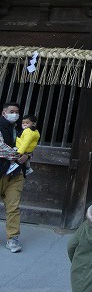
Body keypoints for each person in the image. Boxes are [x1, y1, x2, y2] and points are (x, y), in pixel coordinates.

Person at [0, 102, 28, 253]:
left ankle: (12, 239)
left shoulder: (18, 129)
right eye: (11, 111)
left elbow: (29, 146)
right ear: (4, 113)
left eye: (17, 112)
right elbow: (1, 149)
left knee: (13, 208)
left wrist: (28, 154)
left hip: (15, 174)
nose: (15, 114)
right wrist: (20, 155)